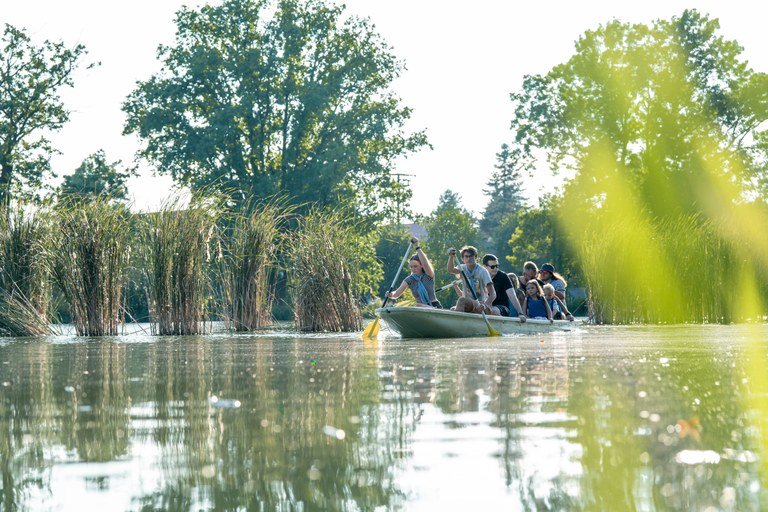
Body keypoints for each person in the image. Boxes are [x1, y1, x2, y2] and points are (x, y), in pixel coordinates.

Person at [386, 238, 442, 308]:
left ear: (421, 265)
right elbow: (397, 293)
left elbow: (425, 264)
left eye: (415, 266)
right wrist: (390, 294)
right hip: (421, 308)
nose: (413, 269)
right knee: (418, 305)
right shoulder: (409, 280)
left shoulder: (428, 275)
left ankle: (434, 309)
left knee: (418, 305)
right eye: (411, 267)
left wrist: (417, 247)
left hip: (434, 305)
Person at [447, 245, 495, 314]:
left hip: (481, 304)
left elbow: (493, 294)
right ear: (462, 259)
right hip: (468, 303)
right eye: (466, 256)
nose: (469, 259)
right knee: (452, 309)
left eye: (471, 256)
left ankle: (459, 322)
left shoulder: (483, 271)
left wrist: (485, 305)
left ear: (476, 257)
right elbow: (450, 270)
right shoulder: (462, 268)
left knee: (461, 300)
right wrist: (451, 257)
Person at [482, 254, 526, 320]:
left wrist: (520, 313)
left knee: (493, 310)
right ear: (485, 267)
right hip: (485, 306)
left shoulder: (503, 276)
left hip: (502, 307)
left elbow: (512, 296)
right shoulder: (480, 276)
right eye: (492, 267)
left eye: (497, 266)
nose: (495, 269)